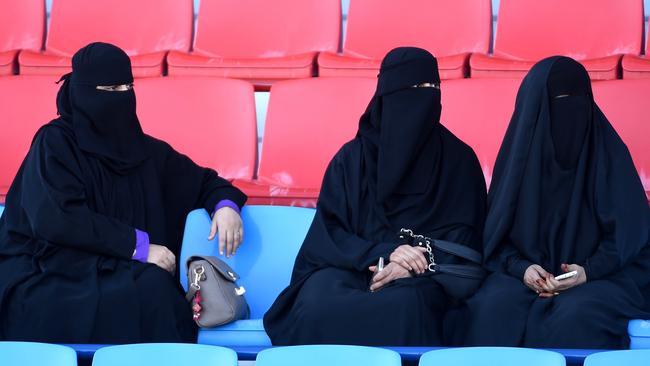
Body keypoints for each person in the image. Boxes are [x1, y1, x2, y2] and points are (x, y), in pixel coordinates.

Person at [0, 42, 247, 343]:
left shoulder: (145, 152)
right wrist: (138, 246)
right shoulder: (55, 144)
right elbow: (57, 218)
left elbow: (206, 182)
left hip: (115, 272)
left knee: (156, 291)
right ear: (82, 92)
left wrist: (225, 207)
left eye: (126, 87)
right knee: (37, 305)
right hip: (50, 269)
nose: (121, 98)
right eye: (109, 89)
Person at [263, 47, 487, 346]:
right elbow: (330, 231)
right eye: (415, 89)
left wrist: (412, 263)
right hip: (352, 266)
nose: (426, 98)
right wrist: (382, 252)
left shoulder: (458, 160)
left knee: (409, 306)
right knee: (316, 302)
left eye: (433, 88)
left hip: (424, 276)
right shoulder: (352, 160)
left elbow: (465, 235)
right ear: (389, 94)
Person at [456, 56, 650, 348]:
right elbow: (495, 238)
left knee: (576, 315)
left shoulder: (608, 155)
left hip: (602, 277)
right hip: (520, 275)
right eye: (559, 101)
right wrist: (522, 268)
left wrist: (589, 271)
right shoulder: (516, 164)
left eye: (578, 99)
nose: (570, 111)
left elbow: (629, 237)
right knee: (493, 310)